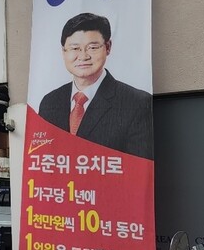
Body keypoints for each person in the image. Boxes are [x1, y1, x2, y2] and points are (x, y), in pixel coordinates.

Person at [37, 12, 154, 159]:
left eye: (92, 47)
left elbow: (138, 171)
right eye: (75, 48)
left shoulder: (137, 103)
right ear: (63, 52)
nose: (83, 56)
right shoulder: (49, 103)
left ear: (108, 47)